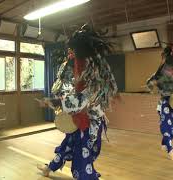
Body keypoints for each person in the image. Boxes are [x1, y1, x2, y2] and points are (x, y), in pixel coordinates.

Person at [37, 24, 118, 179]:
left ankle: (87, 176)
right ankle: (50, 169)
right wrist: (55, 101)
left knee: (83, 154)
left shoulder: (93, 75)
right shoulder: (85, 69)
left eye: (73, 51)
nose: (71, 54)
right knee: (68, 145)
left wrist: (54, 102)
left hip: (89, 124)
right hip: (80, 120)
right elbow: (77, 96)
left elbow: (82, 100)